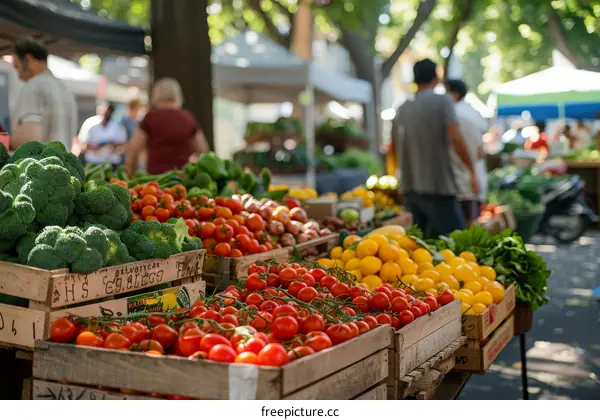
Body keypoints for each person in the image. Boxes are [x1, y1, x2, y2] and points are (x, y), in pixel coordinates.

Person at [390, 59, 478, 237]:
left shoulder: (402, 108)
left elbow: (391, 148)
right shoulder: (443, 102)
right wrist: (472, 170)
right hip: (439, 187)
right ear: (435, 78)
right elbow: (455, 137)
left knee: (421, 245)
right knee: (456, 242)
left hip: (410, 188)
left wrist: (395, 176)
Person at [126, 78, 209, 176]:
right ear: (178, 95)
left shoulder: (151, 118)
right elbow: (203, 151)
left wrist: (130, 176)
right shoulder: (188, 118)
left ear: (156, 95)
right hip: (182, 180)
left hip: (155, 183)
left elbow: (133, 148)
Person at [10, 38, 77, 150]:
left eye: (17, 67)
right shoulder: (64, 89)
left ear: (28, 59)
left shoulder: (34, 85)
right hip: (62, 164)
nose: (19, 76)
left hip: (39, 164)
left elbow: (29, 138)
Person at [446, 79, 487, 226]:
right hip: (470, 181)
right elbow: (481, 152)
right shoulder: (473, 113)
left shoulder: (453, 114)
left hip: (459, 182)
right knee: (469, 227)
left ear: (455, 94)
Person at [82, 103, 127, 167]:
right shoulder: (89, 123)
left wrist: (113, 146)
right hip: (93, 162)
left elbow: (123, 145)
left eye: (109, 112)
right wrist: (100, 146)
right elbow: (83, 145)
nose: (106, 114)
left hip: (112, 163)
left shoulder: (119, 127)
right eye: (104, 111)